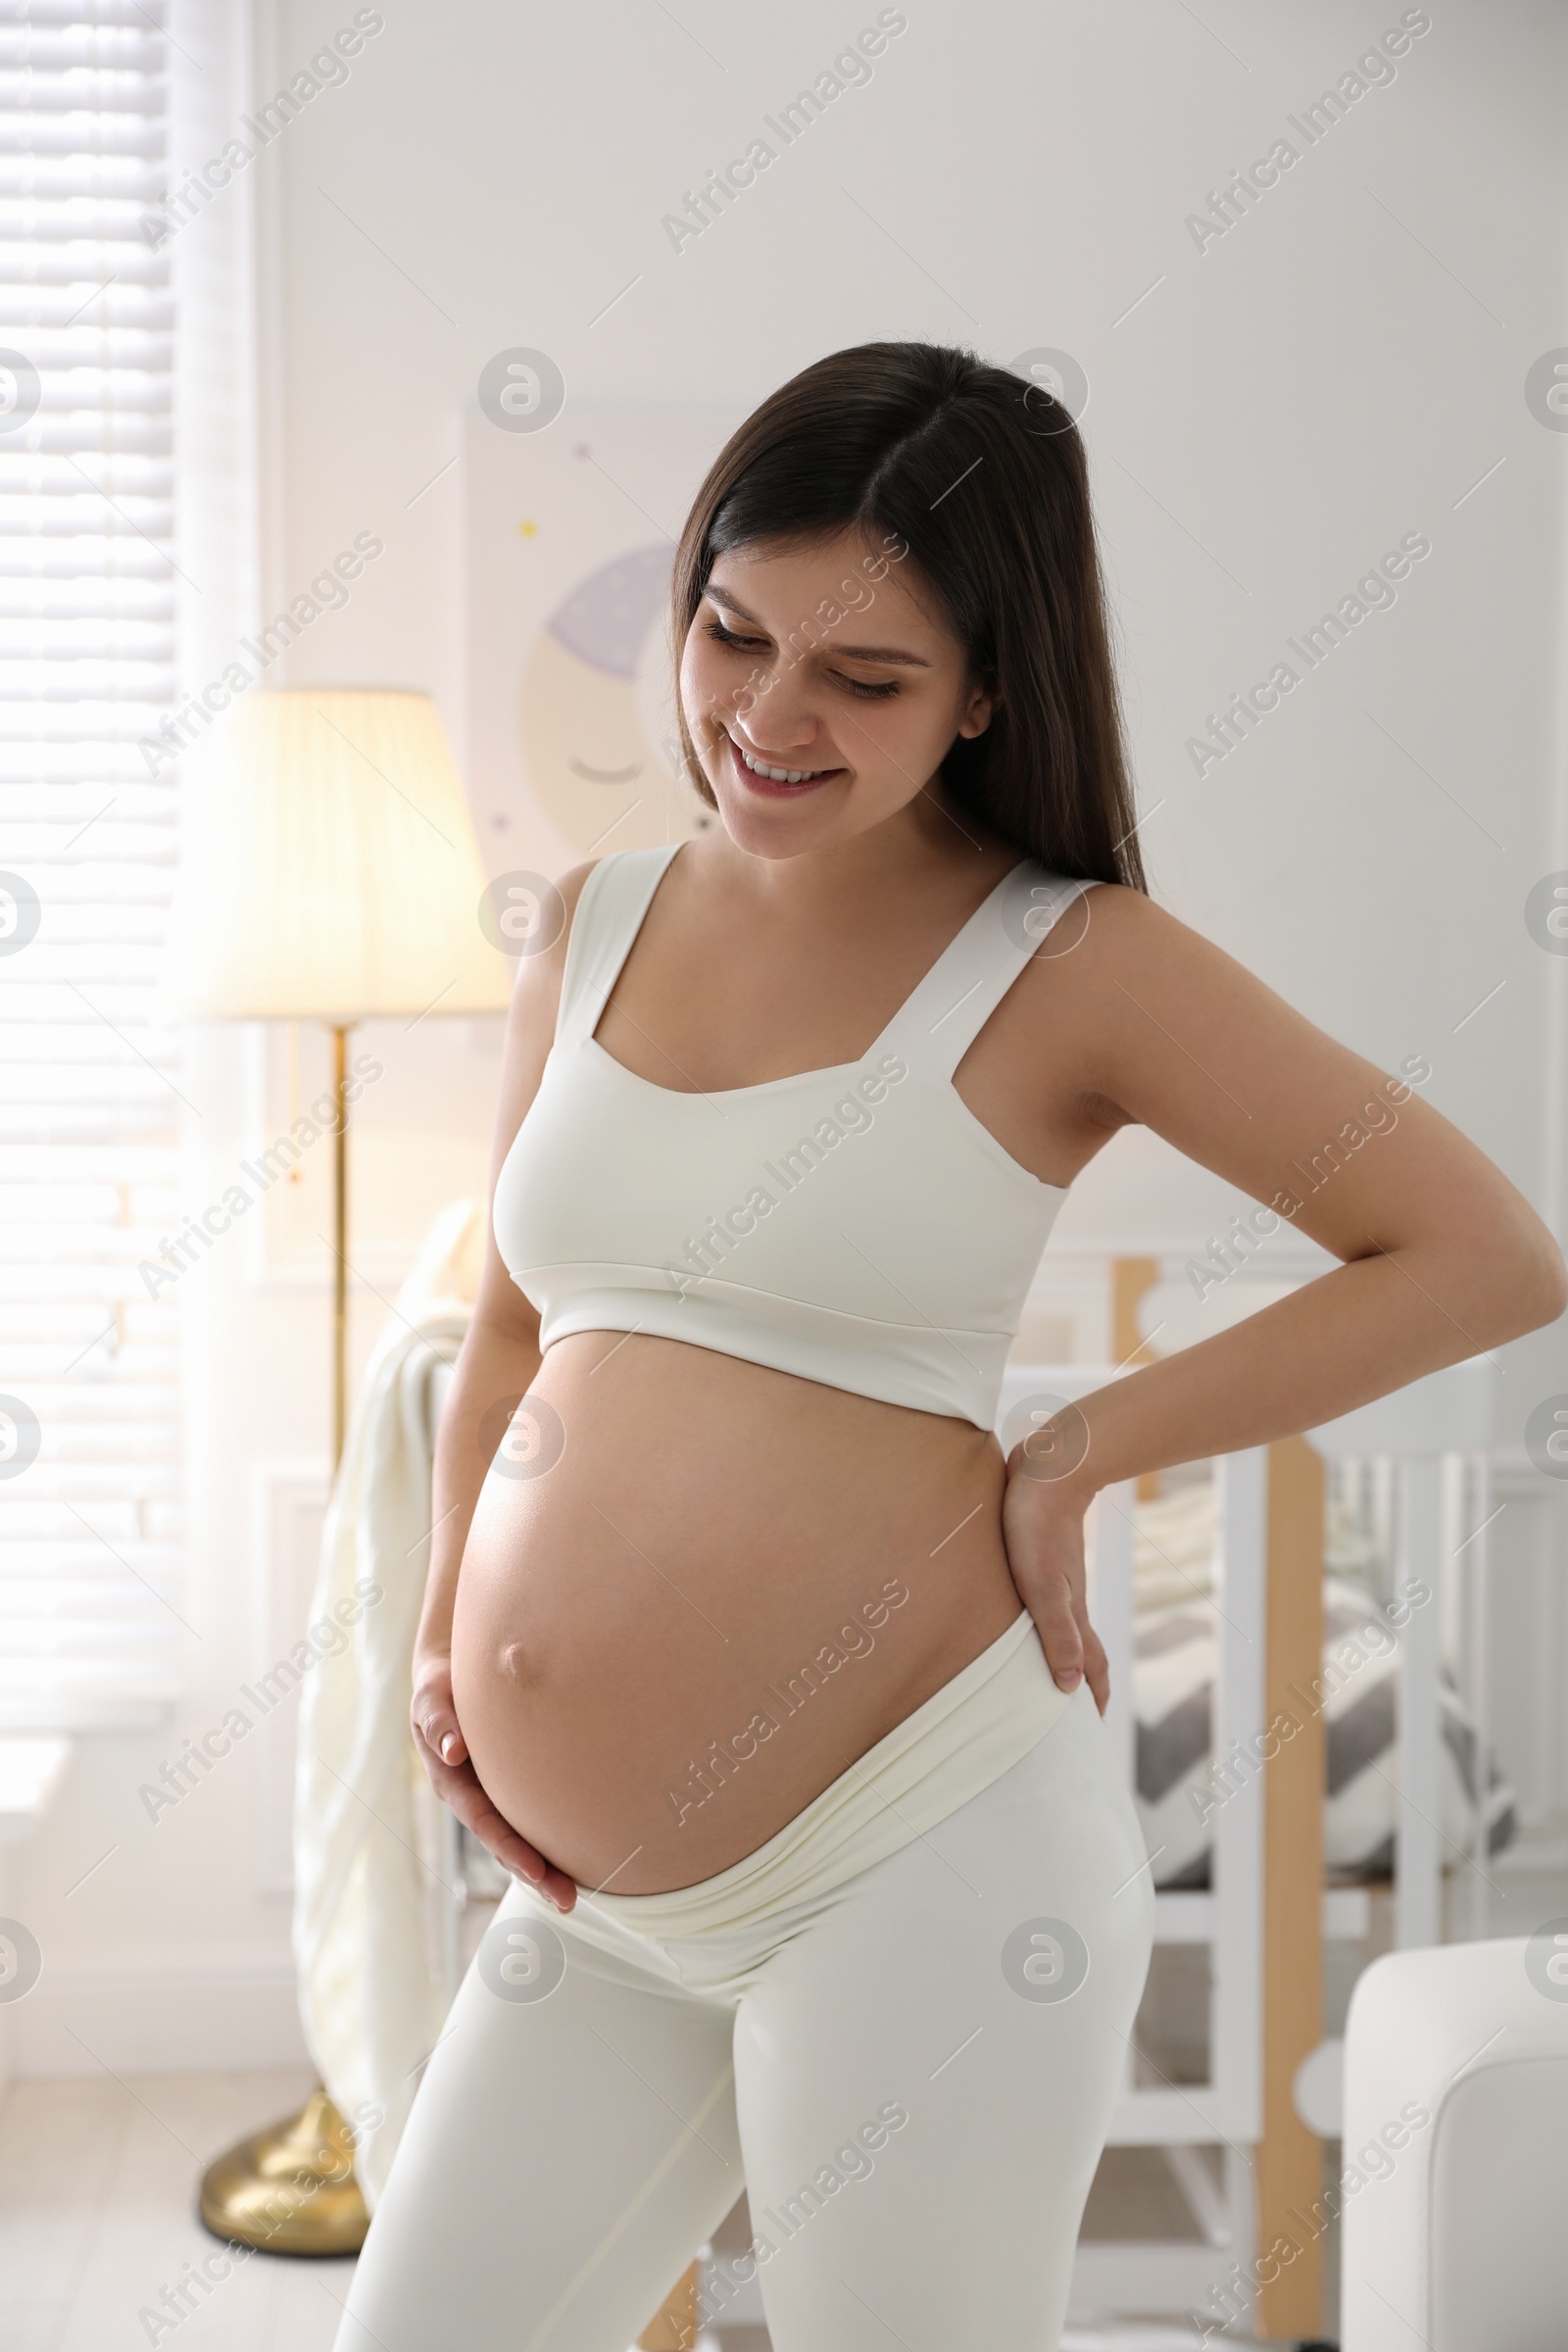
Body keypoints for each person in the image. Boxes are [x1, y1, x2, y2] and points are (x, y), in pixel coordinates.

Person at [332, 341, 1566, 2352]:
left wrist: (1078, 1443)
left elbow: (1482, 1251)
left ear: (987, 691)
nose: (766, 719)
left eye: (863, 679)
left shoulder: (1073, 963)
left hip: (914, 1859)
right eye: (730, 637)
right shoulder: (588, 919)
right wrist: (447, 1639)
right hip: (599, 1902)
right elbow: (503, 1331)